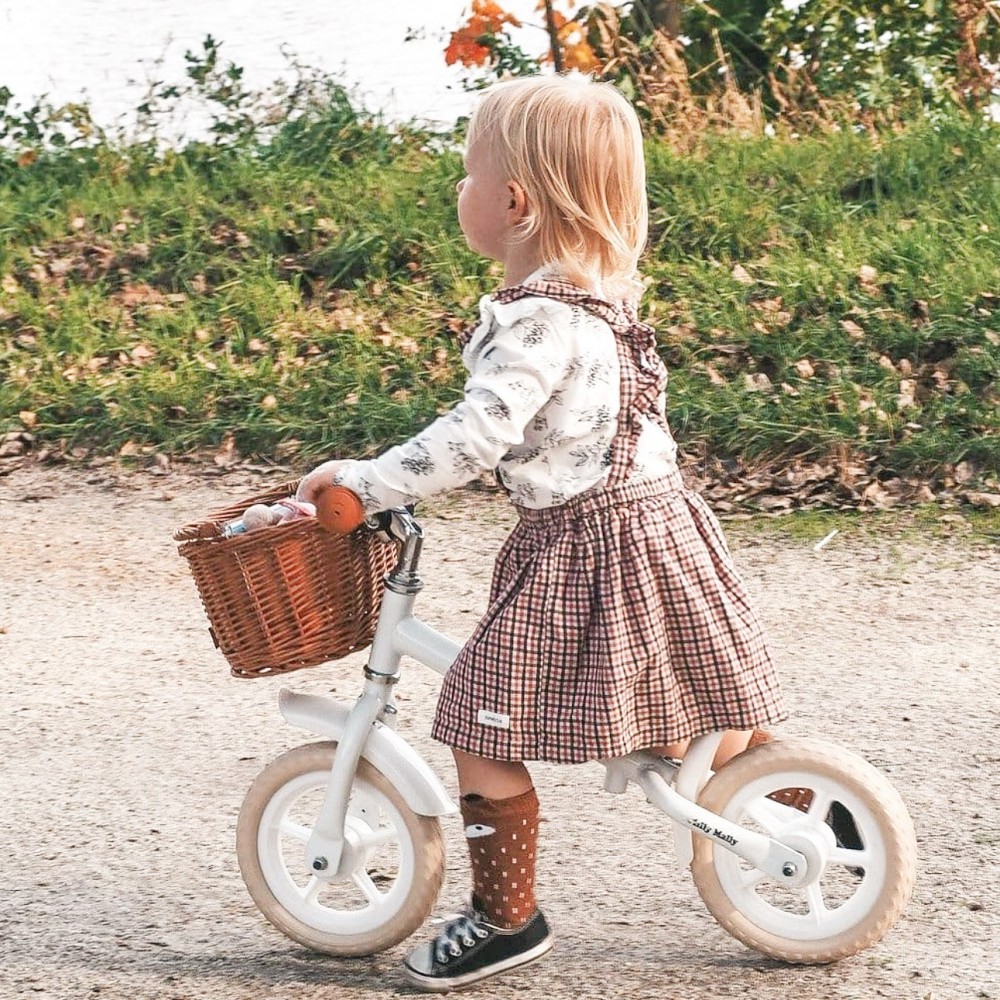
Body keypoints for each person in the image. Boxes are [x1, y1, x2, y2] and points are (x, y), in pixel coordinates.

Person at [296, 73, 786, 991]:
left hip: (586, 551)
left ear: (513, 203)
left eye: (468, 173)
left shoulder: (536, 324)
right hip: (661, 531)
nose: (459, 190)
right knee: (714, 693)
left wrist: (365, 482)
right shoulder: (601, 306)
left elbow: (478, 436)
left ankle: (503, 919)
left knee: (476, 716)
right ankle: (810, 808)